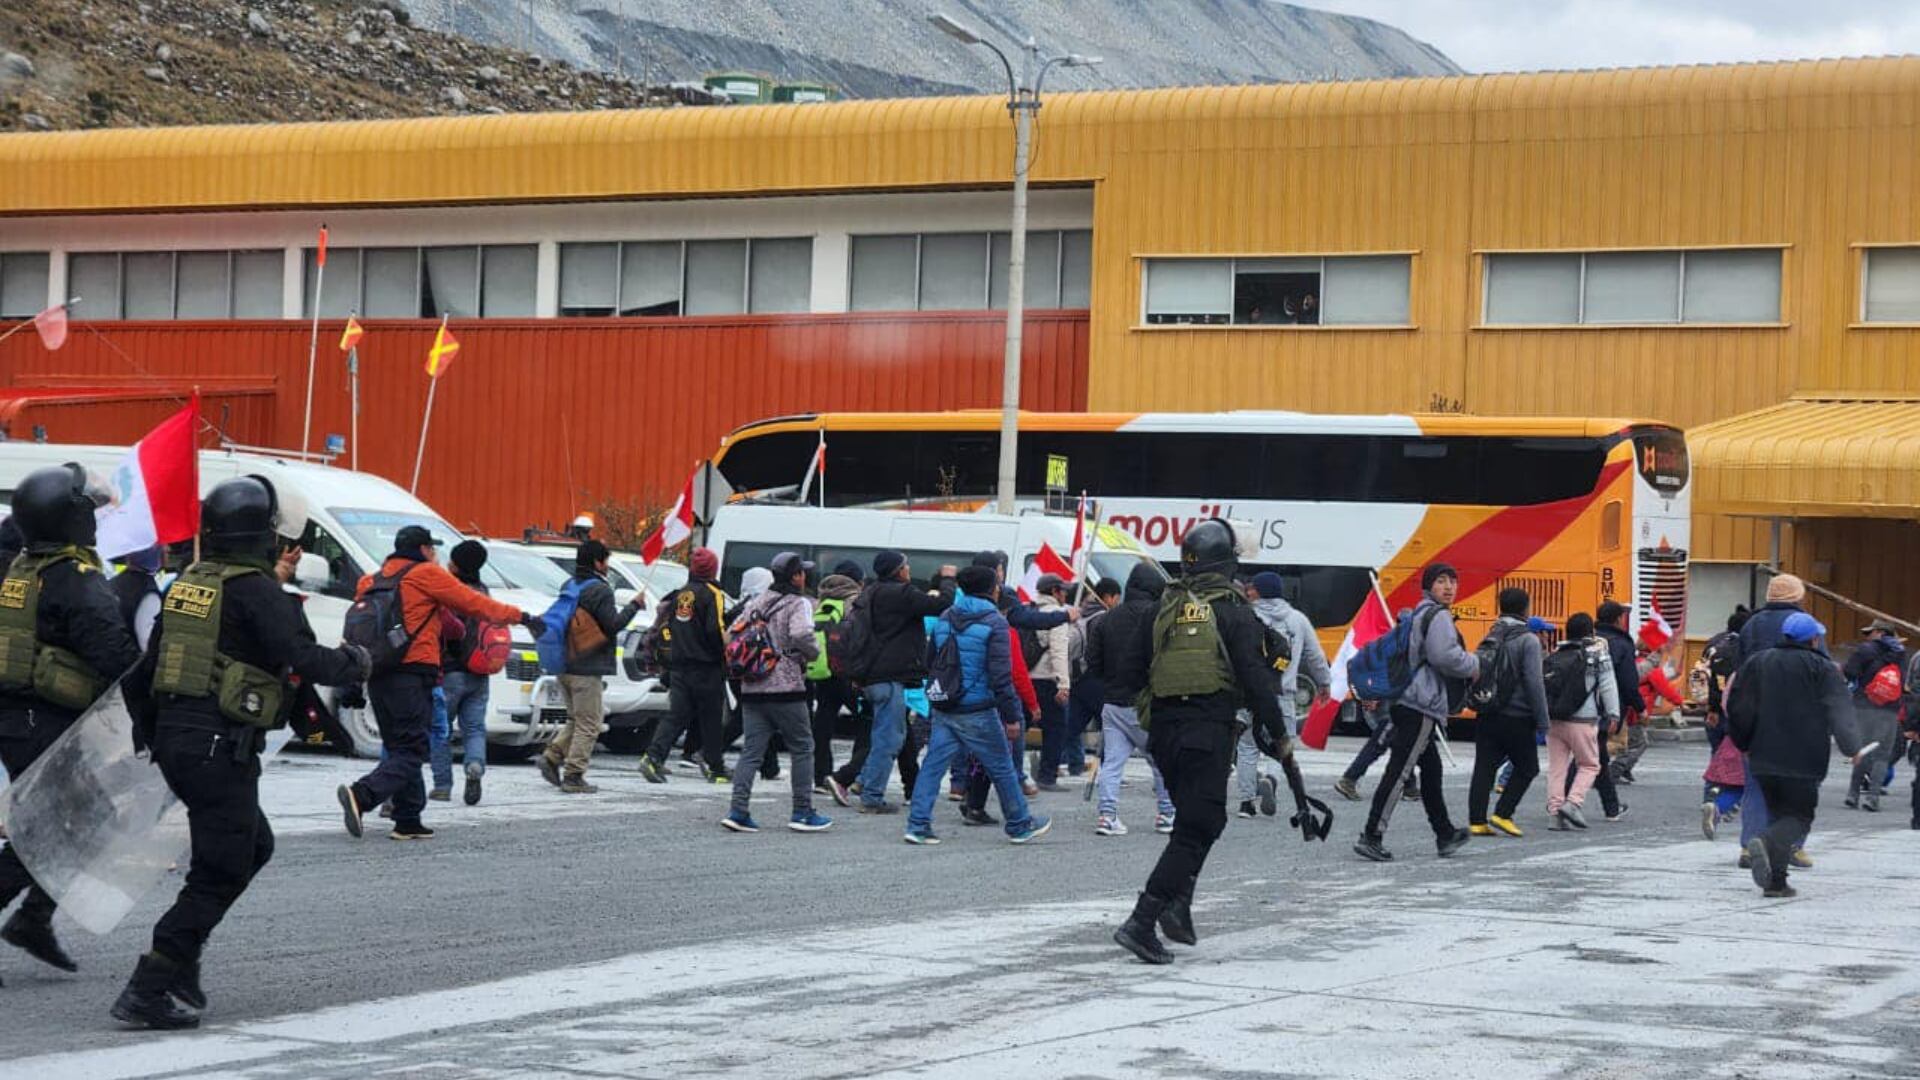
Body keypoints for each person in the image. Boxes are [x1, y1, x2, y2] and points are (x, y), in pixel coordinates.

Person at [111, 476, 371, 1029]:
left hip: (186, 742)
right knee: (220, 869)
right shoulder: (255, 589)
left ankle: (180, 962)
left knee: (254, 844)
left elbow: (144, 673)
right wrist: (357, 663)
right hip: (216, 746)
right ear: (263, 535)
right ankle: (153, 981)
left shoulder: (189, 584)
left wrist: (157, 739)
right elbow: (299, 656)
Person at [1113, 520, 1291, 966]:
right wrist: (1279, 734)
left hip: (1164, 733)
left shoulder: (1163, 607)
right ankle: (1144, 917)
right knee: (1201, 825)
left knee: (1193, 821)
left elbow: (1128, 672)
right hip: (1208, 729)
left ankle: (1178, 906)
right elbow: (1255, 680)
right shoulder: (1233, 611)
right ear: (1227, 563)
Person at [0, 464, 142, 988]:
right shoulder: (73, 579)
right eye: (89, 510)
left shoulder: (22, 568)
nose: (97, 519)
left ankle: (33, 918)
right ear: (69, 517)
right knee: (46, 831)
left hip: (24, 719)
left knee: (86, 820)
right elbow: (115, 656)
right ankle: (31, 918)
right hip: (45, 722)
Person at [337, 526, 536, 841]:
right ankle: (362, 795)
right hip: (413, 673)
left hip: (378, 674)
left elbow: (356, 632)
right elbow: (474, 603)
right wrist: (521, 616)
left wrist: (350, 678)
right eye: (433, 548)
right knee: (413, 749)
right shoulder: (425, 575)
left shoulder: (372, 581)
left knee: (399, 744)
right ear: (424, 549)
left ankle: (408, 819)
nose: (435, 554)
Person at [904, 566, 1052, 846]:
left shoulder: (946, 616)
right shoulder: (995, 623)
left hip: (945, 705)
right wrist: (1012, 717)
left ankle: (918, 824)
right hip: (978, 708)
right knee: (1002, 766)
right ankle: (1019, 823)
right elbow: (1001, 676)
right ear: (992, 589)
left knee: (933, 766)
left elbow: (931, 660)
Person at [1726, 613, 1863, 898]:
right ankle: (1763, 842)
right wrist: (1853, 747)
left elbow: (1739, 706)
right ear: (1813, 639)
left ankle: (1776, 882)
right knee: (1798, 817)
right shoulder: (1822, 668)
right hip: (1804, 756)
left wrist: (1744, 743)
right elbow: (1840, 709)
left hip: (1762, 754)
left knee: (1779, 814)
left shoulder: (1757, 663)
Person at [1353, 564, 1477, 863]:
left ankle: (1445, 833)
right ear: (1428, 587)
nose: (1449, 587)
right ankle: (1371, 835)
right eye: (1441, 581)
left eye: (1453, 581)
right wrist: (1474, 664)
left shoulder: (1419, 613)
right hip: (1419, 703)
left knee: (1431, 772)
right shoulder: (1438, 615)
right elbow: (1444, 656)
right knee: (1399, 772)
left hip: (1408, 700)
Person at [722, 553, 832, 833]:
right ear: (795, 577)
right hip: (786, 686)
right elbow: (802, 634)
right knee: (803, 747)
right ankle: (802, 811)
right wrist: (811, 654)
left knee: (751, 752)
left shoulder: (757, 602)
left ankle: (738, 810)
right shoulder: (799, 603)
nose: (805, 576)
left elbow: (734, 633)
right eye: (802, 572)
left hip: (752, 685)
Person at [535, 540, 647, 795]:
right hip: (587, 666)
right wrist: (634, 606)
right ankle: (574, 775)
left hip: (563, 663)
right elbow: (613, 625)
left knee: (577, 718)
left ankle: (552, 757)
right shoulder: (600, 590)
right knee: (591, 723)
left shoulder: (570, 585)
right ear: (598, 562)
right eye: (606, 561)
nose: (607, 566)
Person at [850, 550, 951, 814]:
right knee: (889, 738)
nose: (909, 570)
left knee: (888, 734)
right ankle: (871, 796)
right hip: (889, 677)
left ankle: (864, 783)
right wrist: (947, 580)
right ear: (898, 570)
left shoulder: (870, 592)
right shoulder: (900, 594)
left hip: (870, 674)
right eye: (906, 566)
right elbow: (942, 604)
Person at [1734, 574, 1820, 870]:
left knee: (1755, 785)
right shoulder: (1804, 625)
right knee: (1797, 788)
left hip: (1757, 715)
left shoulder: (1750, 625)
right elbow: (1821, 671)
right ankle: (1793, 846)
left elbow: (1739, 673)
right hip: (1798, 719)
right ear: (1798, 596)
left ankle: (1749, 846)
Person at [1086, 562, 1176, 836]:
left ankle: (1107, 816)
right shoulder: (1159, 617)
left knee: (1113, 762)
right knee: (1161, 761)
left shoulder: (1106, 618)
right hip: (1148, 702)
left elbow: (1093, 663)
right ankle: (1167, 814)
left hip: (1112, 702)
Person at [1239, 572, 1332, 819]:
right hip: (1283, 694)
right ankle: (1271, 778)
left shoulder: (1247, 616)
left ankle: (1246, 804)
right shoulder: (1296, 620)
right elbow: (1314, 656)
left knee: (1247, 747)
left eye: (1252, 588)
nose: (1249, 592)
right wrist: (1324, 682)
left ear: (1258, 591)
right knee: (1282, 744)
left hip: (1250, 694)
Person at [639, 548, 731, 785]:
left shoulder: (683, 594)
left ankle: (653, 757)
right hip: (706, 666)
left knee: (676, 716)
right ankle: (715, 767)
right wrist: (725, 653)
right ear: (713, 568)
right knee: (711, 719)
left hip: (679, 665)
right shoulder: (713, 593)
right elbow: (715, 630)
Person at [1467, 588, 1548, 837]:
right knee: (1528, 767)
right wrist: (1542, 719)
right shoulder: (1528, 640)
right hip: (1517, 716)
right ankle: (1503, 813)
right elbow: (1534, 682)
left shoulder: (1493, 632)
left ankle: (1477, 822)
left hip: (1488, 710)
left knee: (1484, 766)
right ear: (1525, 608)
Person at [1543, 612, 1620, 830]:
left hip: (1554, 720)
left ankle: (1555, 812)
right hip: (1583, 720)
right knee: (1589, 764)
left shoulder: (1555, 654)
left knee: (1557, 768)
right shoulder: (1597, 655)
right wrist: (1613, 713)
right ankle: (1573, 803)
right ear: (1591, 632)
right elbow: (1608, 685)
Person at [437, 541, 496, 806]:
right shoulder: (484, 592)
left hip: (450, 670)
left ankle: (442, 785)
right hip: (480, 670)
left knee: (441, 729)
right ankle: (474, 766)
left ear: (456, 565)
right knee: (474, 728)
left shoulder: (451, 592)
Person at [1582, 601, 1642, 823]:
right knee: (1589, 756)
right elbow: (1628, 682)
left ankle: (1612, 806)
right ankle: (1565, 803)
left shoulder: (1589, 639)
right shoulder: (1621, 644)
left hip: (1581, 706)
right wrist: (1640, 708)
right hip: (1607, 709)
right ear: (1618, 619)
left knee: (1598, 757)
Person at [806, 561, 864, 792]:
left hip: (823, 671)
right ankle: (856, 775)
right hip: (849, 673)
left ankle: (821, 776)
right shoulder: (856, 603)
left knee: (823, 722)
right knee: (866, 724)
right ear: (857, 582)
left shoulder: (821, 600)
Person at [1842, 619, 1907, 813]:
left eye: (1870, 632)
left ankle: (1853, 795)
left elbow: (1849, 672)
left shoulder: (1866, 650)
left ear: (1879, 632)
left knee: (1861, 751)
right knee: (1882, 755)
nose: (1868, 636)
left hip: (1864, 706)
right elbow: (1902, 681)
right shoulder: (1901, 654)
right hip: (1889, 710)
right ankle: (1873, 797)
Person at [1698, 608, 1750, 837]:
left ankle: (1710, 797)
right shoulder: (1746, 650)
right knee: (1740, 764)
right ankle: (1727, 803)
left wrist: (1710, 707)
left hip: (1714, 710)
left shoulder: (1714, 644)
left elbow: (1705, 676)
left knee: (1717, 758)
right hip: (1736, 713)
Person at [1064, 578, 1121, 781]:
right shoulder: (1104, 618)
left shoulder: (1083, 613)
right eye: (1116, 597)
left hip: (1080, 676)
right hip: (1097, 678)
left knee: (1072, 725)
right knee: (1108, 727)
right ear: (1108, 597)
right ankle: (1108, 771)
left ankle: (1071, 764)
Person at [1027, 574, 1075, 790]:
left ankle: (1016, 774)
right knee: (1055, 729)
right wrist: (1064, 684)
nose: (1065, 594)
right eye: (1063, 590)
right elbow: (1058, 652)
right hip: (1048, 679)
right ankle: (1047, 776)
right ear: (1055, 592)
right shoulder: (1057, 616)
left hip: (1027, 679)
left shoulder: (1028, 611)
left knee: (1022, 726)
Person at [111, 544, 166, 651]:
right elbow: (148, 645)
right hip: (133, 662)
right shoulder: (148, 594)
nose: (167, 549)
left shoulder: (112, 583)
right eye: (160, 546)